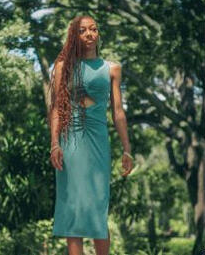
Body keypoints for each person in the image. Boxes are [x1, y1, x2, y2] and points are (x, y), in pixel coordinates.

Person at [50, 15, 133, 255]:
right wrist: (55, 144)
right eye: (83, 30)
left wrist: (126, 148)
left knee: (98, 206)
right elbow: (56, 107)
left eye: (93, 29)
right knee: (72, 208)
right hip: (70, 141)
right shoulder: (63, 67)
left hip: (98, 141)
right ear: (75, 36)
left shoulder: (111, 68)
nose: (89, 34)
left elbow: (118, 112)